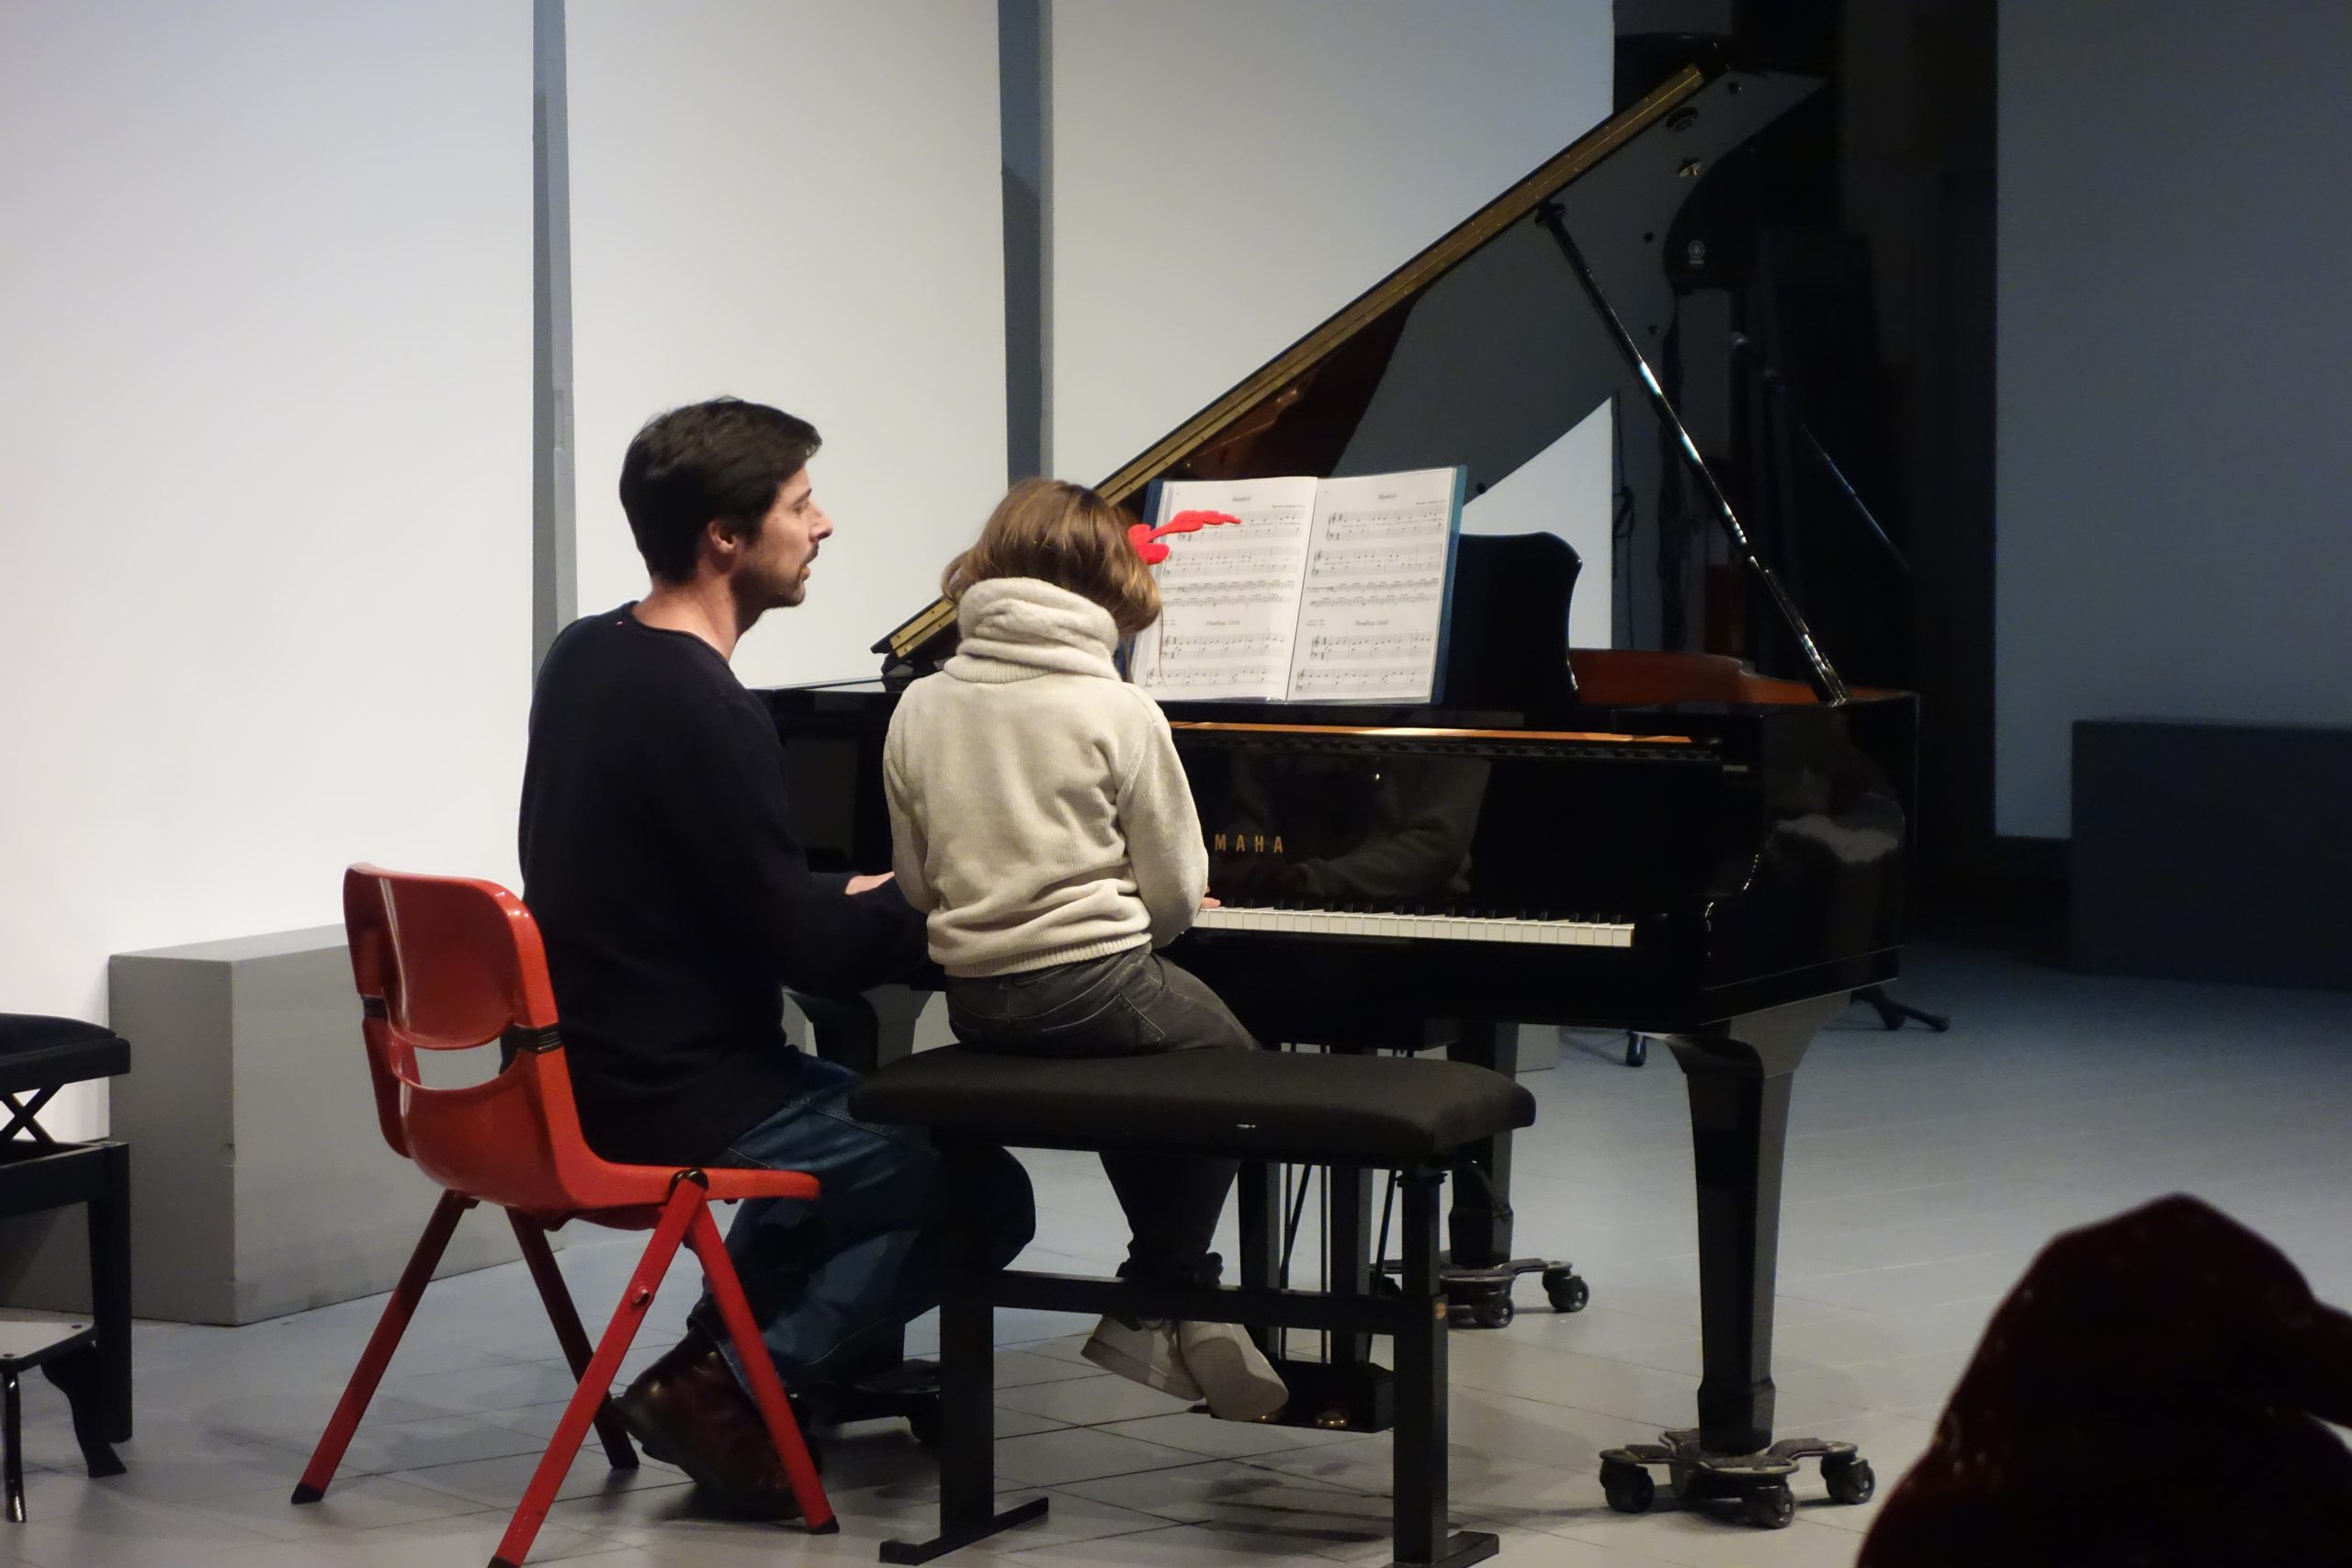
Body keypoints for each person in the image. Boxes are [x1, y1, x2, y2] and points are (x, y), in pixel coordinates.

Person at [518, 397, 1035, 1516]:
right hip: (681, 1094)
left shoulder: (589, 655)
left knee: (860, 1125)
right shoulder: (707, 706)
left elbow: (710, 887)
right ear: (726, 537)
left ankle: (713, 1373)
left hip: (579, 1070)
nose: (825, 524)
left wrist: (837, 891)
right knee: (980, 1191)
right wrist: (947, 902)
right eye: (801, 504)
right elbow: (812, 953)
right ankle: (737, 1380)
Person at [880, 477, 1287, 1421]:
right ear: (1109, 587)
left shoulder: (921, 707)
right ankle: (1164, 1289)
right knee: (1227, 1058)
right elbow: (1178, 891)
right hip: (1094, 979)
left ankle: (1174, 1304)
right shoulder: (1119, 709)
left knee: (1134, 1070)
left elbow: (913, 886)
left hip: (974, 997)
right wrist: (1139, 925)